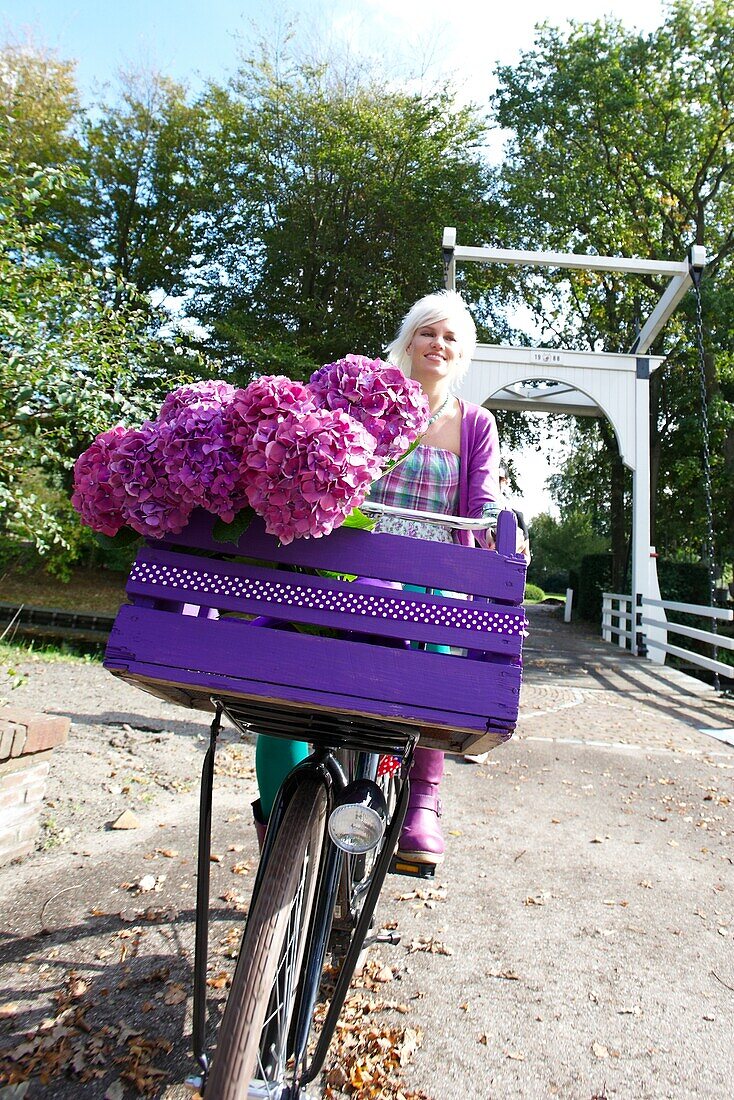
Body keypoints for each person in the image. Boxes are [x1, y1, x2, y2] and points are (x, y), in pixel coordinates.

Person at [253, 290, 508, 868]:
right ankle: (281, 814)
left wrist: (499, 530)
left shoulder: (475, 424)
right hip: (350, 561)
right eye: (428, 332)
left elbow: (482, 501)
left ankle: (421, 802)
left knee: (430, 668)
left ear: (462, 353)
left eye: (450, 338)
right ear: (409, 338)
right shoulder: (369, 400)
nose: (437, 345)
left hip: (426, 573)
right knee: (283, 669)